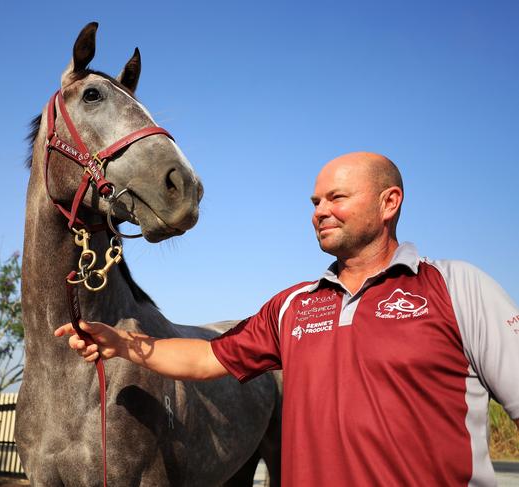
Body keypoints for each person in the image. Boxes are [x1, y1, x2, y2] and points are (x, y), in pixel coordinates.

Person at [55, 152, 519, 486]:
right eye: (315, 202)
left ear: (389, 202)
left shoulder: (458, 288)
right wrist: (121, 343)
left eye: (336, 198)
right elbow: (205, 359)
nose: (319, 212)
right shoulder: (293, 305)